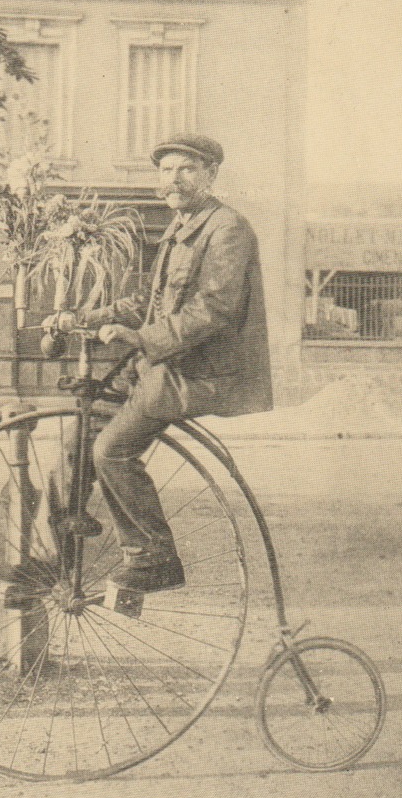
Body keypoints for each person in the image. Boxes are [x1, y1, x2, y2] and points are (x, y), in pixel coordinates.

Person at [41, 133, 273, 593]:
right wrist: (82, 316)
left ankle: (154, 557)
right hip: (162, 367)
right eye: (166, 170)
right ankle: (54, 551)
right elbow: (148, 300)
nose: (174, 180)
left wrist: (143, 338)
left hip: (203, 372)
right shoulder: (178, 228)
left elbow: (215, 309)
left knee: (112, 449)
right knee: (79, 440)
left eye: (186, 169)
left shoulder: (228, 229)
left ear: (211, 174)